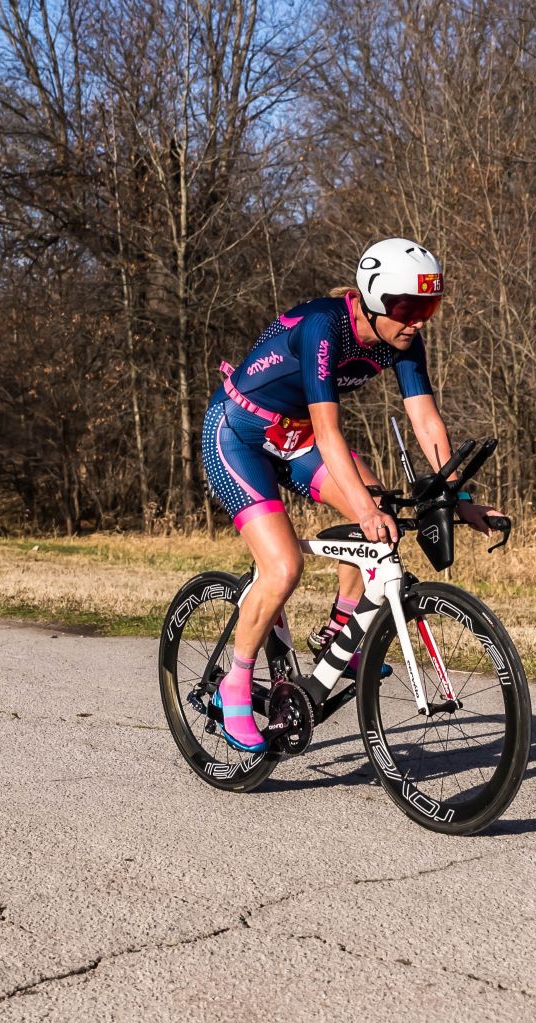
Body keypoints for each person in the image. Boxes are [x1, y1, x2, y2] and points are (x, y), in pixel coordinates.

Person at [201, 237, 500, 752]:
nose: (419, 321)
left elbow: (425, 419)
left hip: (297, 438)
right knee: (284, 567)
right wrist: (362, 508)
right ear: (374, 298)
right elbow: (330, 430)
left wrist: (459, 497)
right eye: (408, 307)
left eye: (428, 307)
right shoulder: (325, 326)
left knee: (378, 506)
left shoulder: (402, 340)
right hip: (240, 433)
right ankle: (235, 684)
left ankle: (342, 630)